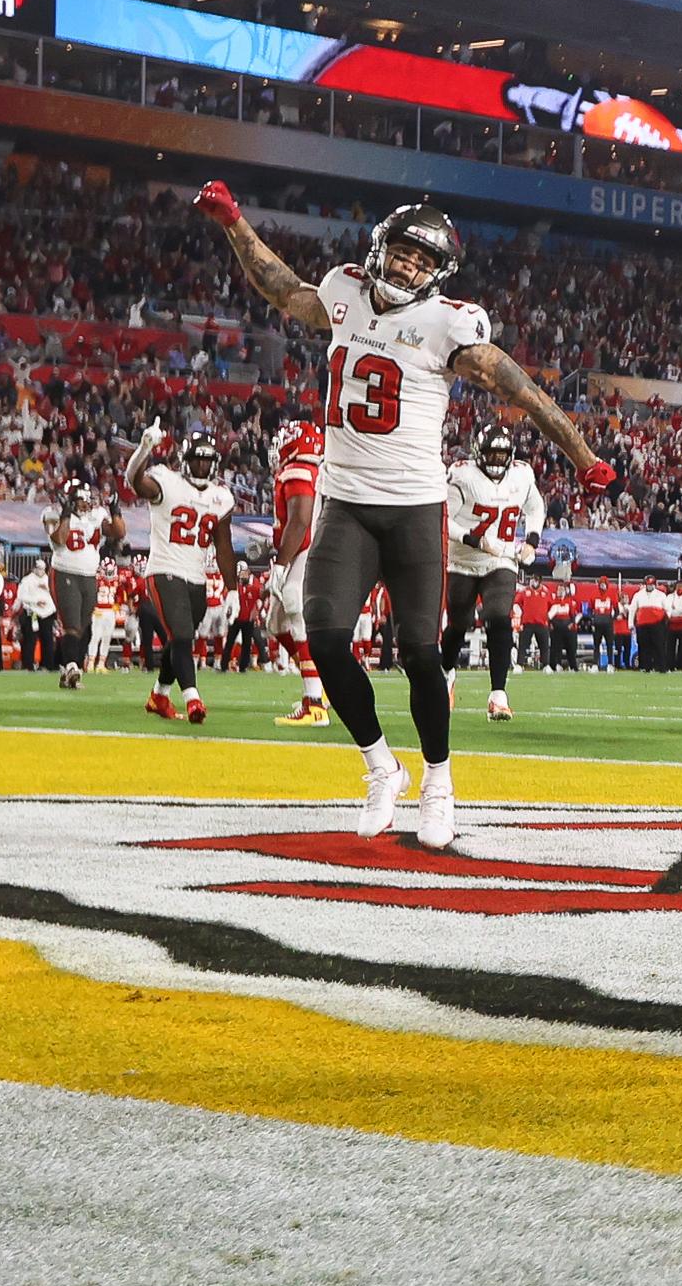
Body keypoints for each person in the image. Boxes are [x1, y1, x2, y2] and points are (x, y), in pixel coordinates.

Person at [197, 185, 615, 848]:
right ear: (381, 248)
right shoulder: (344, 291)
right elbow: (282, 288)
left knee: (422, 653)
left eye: (424, 261)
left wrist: (583, 456)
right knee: (325, 640)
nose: (409, 266)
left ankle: (438, 783)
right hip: (346, 503)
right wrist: (234, 223)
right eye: (403, 253)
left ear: (438, 272)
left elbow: (521, 388)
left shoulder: (448, 323)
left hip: (415, 508)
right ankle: (380, 767)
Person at [125, 424, 239, 724]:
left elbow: (223, 546)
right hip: (164, 569)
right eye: (197, 459)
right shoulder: (167, 480)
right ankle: (193, 699)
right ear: (185, 460)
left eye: (207, 460)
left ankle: (159, 695)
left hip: (197, 577)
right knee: (182, 635)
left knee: (180, 640)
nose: (202, 466)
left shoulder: (221, 497)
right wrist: (144, 449)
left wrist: (232, 589)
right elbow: (135, 482)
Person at [442, 422, 547, 722]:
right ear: (479, 452)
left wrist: (532, 540)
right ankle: (446, 673)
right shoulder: (462, 475)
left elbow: (535, 507)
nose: (497, 461)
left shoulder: (522, 474)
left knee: (499, 616)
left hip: (501, 559)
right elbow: (444, 518)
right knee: (459, 623)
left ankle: (498, 695)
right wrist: (473, 539)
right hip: (463, 559)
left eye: (502, 456)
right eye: (491, 454)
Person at [43, 479, 113, 690]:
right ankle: (73, 667)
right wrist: (66, 513)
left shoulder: (96, 515)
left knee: (83, 628)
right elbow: (59, 539)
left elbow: (118, 532)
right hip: (65, 571)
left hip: (89, 575)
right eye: (81, 499)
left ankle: (65, 669)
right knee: (72, 625)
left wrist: (116, 511)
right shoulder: (53, 514)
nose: (86, 503)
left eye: (88, 498)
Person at [11, 563, 58, 671]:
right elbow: (21, 596)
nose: (40, 571)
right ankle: (28, 664)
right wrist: (36, 601)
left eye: (42, 569)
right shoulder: (27, 580)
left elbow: (55, 594)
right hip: (32, 613)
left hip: (47, 613)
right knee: (30, 640)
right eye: (38, 568)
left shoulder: (48, 580)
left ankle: (47, 664)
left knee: (47, 639)